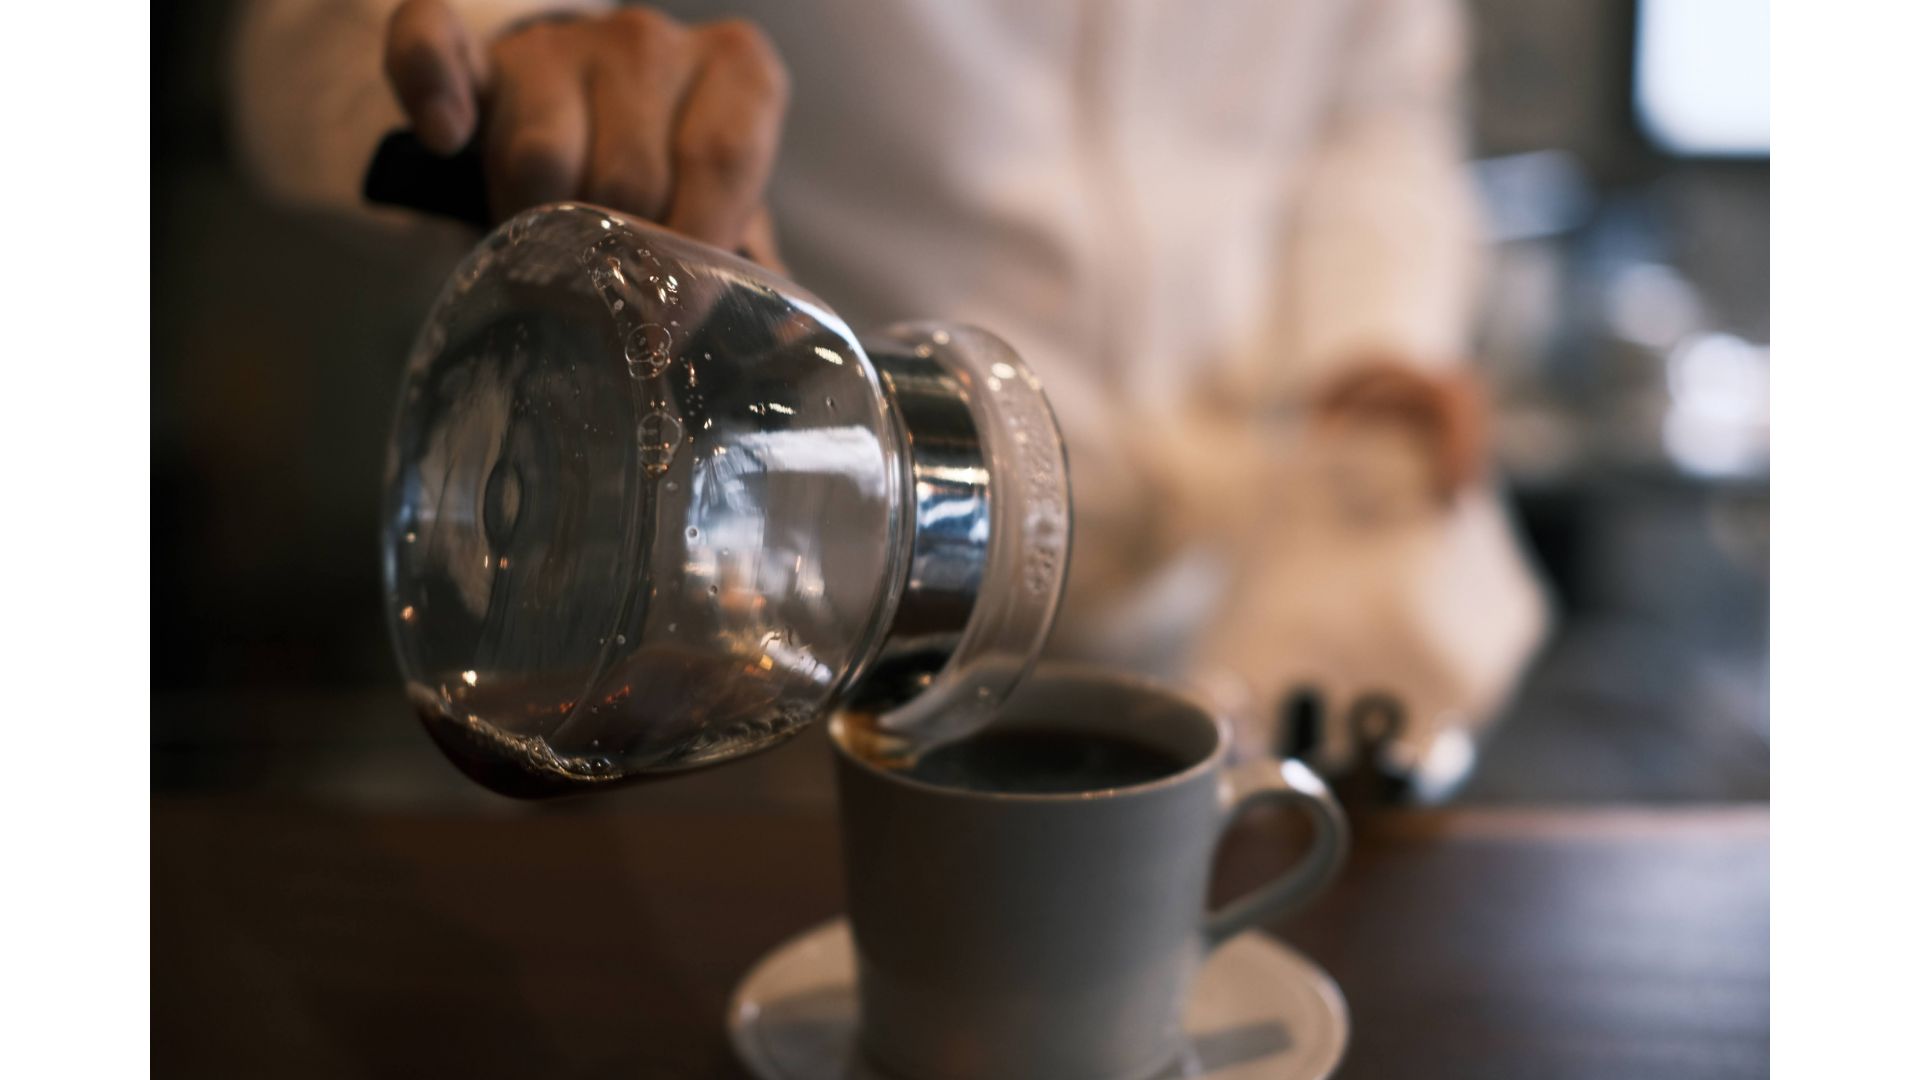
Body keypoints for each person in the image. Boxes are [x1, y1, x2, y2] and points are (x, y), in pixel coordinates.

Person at [233, 0, 1548, 797]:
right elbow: (298, 42)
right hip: (760, 622)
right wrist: (515, 49)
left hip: (1221, 595)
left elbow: (1377, 109)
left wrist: (1369, 333)